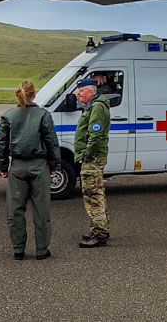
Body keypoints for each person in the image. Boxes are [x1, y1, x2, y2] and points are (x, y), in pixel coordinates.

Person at [0, 80, 60, 261]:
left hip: (17, 165)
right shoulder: (43, 115)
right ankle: (41, 249)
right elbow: (51, 142)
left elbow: (1, 144)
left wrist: (2, 167)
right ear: (34, 94)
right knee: (41, 210)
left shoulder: (9, 116)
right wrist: (55, 165)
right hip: (39, 165)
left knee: (15, 210)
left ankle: (18, 249)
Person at [74, 77, 111, 248]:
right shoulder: (95, 106)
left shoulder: (96, 107)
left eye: (81, 91)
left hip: (93, 158)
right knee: (96, 192)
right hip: (95, 156)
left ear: (90, 92)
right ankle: (98, 227)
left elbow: (95, 135)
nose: (78, 94)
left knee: (92, 195)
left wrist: (86, 155)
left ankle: (99, 234)